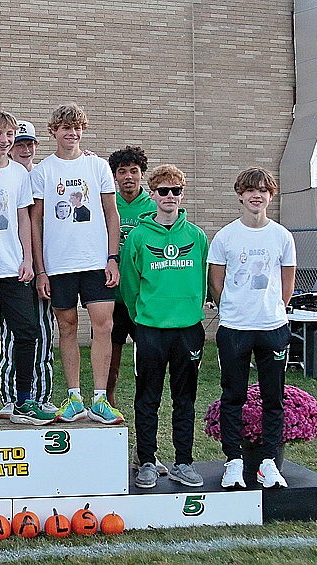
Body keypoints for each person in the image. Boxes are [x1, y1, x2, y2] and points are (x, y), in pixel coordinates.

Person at [29, 103, 124, 425]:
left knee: (104, 326)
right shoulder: (42, 171)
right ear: (54, 131)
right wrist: (41, 270)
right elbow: (36, 221)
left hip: (96, 261)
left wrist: (112, 258)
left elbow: (112, 214)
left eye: (77, 128)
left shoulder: (97, 167)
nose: (72, 133)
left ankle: (99, 398)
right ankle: (73, 396)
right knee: (67, 328)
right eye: (66, 128)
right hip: (59, 265)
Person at [119, 164, 208, 489]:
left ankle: (184, 462)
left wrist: (190, 309)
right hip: (150, 330)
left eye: (176, 191)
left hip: (188, 330)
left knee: (184, 399)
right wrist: (144, 315)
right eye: (163, 191)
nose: (170, 197)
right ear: (153, 194)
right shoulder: (139, 236)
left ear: (182, 195)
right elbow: (129, 286)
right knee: (147, 398)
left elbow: (202, 278)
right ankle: (146, 461)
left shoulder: (196, 236)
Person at [208, 167, 295, 489]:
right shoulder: (226, 236)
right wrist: (233, 307)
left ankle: (269, 462)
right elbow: (216, 282)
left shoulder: (282, 236)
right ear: (240, 195)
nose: (256, 195)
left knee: (274, 397)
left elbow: (287, 282)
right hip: (234, 328)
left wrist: (273, 309)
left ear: (270, 196)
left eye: (263, 190)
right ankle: (233, 460)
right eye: (250, 190)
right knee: (234, 396)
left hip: (272, 327)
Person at [0, 111, 56, 426]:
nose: (4, 141)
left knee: (27, 332)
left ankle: (23, 400)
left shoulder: (20, 175)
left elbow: (24, 219)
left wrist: (28, 260)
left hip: (12, 268)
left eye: (9, 135)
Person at [0, 120, 57, 418]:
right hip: (16, 267)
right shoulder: (7, 175)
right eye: (19, 144)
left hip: (45, 265)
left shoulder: (43, 176)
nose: (24, 149)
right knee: (13, 333)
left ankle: (40, 395)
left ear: (35, 146)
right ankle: (10, 396)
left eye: (28, 144)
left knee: (43, 332)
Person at [107, 146, 154, 408]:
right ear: (115, 176)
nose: (128, 177)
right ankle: (108, 397)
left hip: (142, 296)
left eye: (134, 171)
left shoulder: (151, 207)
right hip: (112, 294)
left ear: (142, 174)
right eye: (122, 171)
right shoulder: (108, 202)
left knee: (146, 355)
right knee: (110, 354)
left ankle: (145, 400)